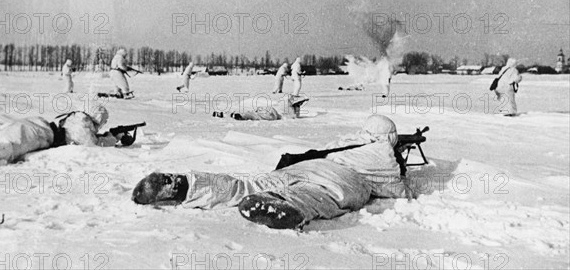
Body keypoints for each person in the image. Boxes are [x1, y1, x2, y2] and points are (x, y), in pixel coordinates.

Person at [132, 115, 408, 230]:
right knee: (316, 197)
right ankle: (286, 204)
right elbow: (397, 191)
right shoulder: (383, 153)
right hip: (343, 181)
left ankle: (186, 185)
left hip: (307, 166)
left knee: (247, 184)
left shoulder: (347, 140)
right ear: (391, 136)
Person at [0, 106, 137, 167]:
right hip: (41, 133)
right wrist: (114, 138)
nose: (102, 125)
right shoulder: (82, 123)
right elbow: (93, 144)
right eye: (103, 122)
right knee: (13, 143)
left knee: (5, 135)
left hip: (38, 126)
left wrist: (111, 135)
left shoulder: (78, 118)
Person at [213, 95, 308, 121]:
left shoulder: (283, 103)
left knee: (252, 112)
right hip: (272, 113)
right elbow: (292, 116)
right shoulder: (287, 107)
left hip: (267, 109)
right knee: (255, 116)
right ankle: (240, 116)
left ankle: (224, 114)